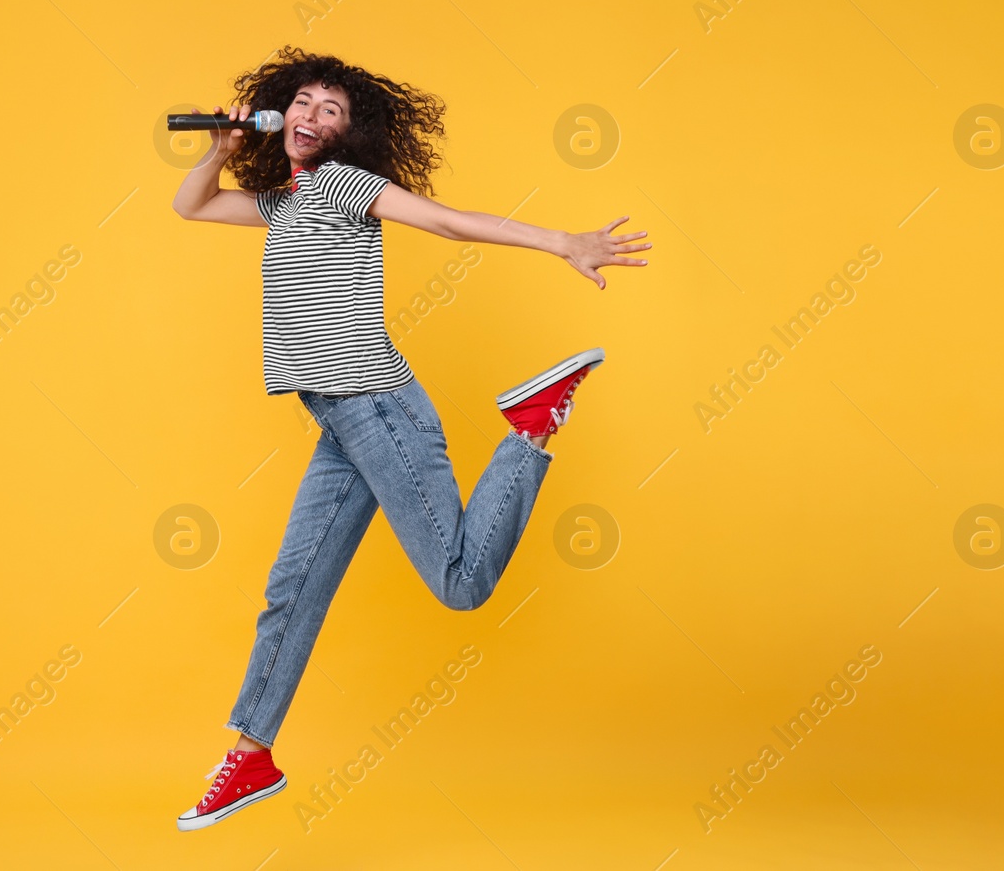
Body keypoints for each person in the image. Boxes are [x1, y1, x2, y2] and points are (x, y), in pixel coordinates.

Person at [170, 47, 649, 830]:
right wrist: (218, 151)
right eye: (304, 101)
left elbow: (449, 223)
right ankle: (251, 755)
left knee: (460, 583)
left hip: (379, 408)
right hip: (338, 419)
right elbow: (193, 205)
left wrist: (562, 240)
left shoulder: (343, 185)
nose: (312, 116)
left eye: (333, 110)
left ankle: (529, 430)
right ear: (277, 111)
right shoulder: (284, 201)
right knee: (290, 591)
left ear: (349, 138)